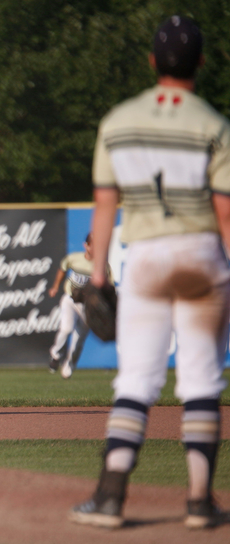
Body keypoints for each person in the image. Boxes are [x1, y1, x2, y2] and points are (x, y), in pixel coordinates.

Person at [69, 15, 230, 529]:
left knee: (136, 379)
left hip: (145, 258)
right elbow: (226, 212)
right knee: (202, 378)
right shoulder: (215, 124)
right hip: (201, 254)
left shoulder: (118, 121)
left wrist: (99, 277)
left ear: (151, 61)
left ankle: (111, 496)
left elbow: (103, 206)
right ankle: (201, 501)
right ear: (201, 63)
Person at [47, 233, 113, 379]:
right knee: (66, 329)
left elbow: (109, 286)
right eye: (93, 245)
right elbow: (63, 267)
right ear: (86, 246)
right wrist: (55, 286)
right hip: (70, 299)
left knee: (78, 341)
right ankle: (55, 354)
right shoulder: (74, 258)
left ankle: (69, 366)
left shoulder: (103, 266)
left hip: (88, 307)